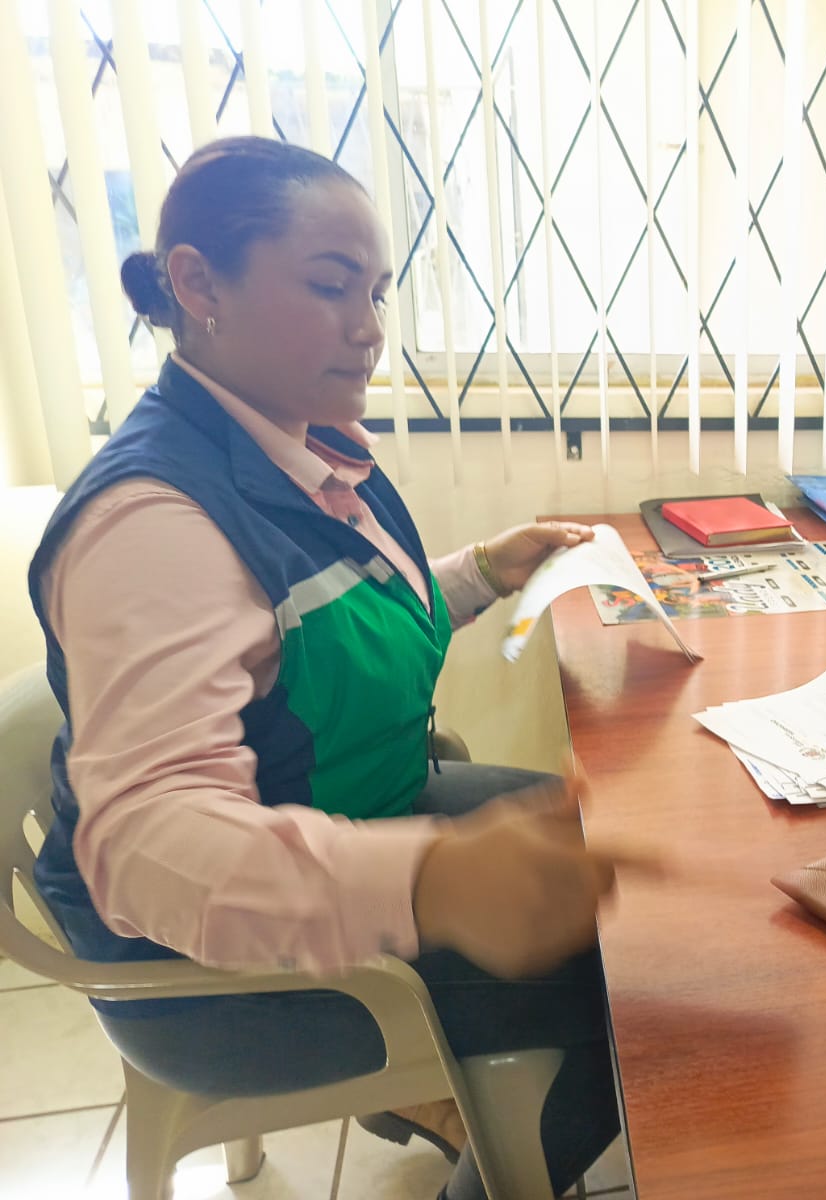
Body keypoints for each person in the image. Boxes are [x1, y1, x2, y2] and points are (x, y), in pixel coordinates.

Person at [27, 137, 632, 1200]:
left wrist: (479, 573)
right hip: (209, 970)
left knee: (611, 874)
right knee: (625, 1004)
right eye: (329, 285)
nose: (369, 325)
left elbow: (316, 634)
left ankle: (449, 1103)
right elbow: (147, 848)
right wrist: (433, 883)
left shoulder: (302, 447)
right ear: (198, 284)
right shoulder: (151, 524)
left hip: (348, 806)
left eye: (378, 291)